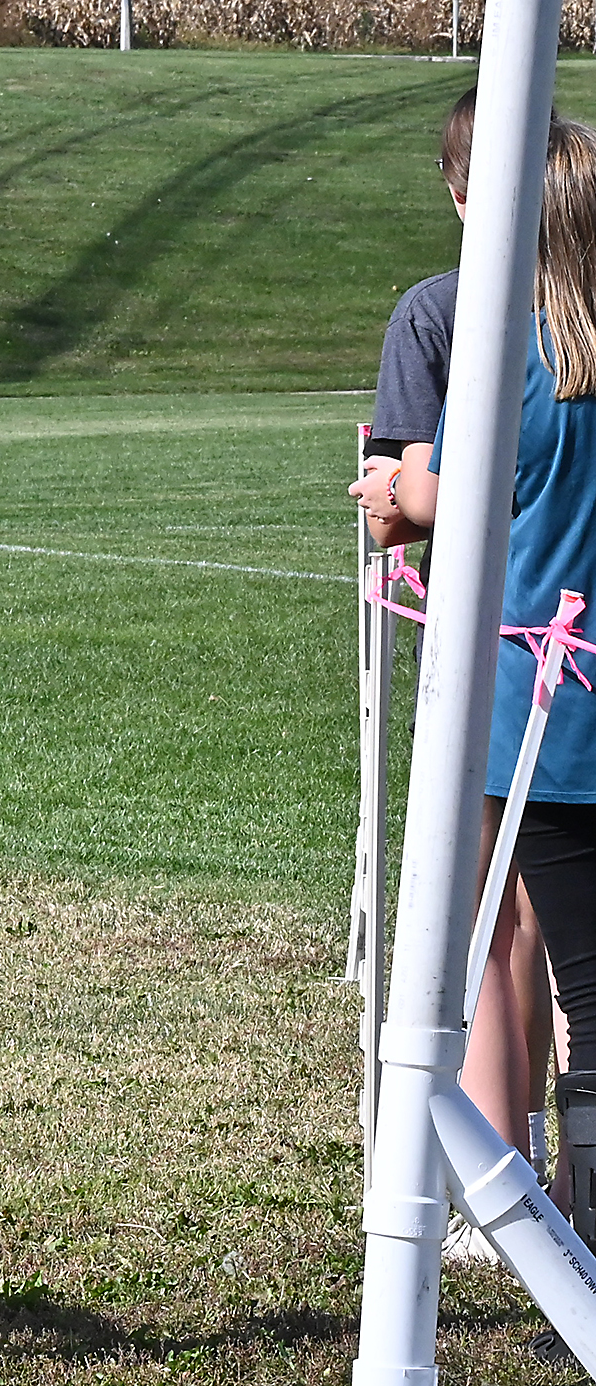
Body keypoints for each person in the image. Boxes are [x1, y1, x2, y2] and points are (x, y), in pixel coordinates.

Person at [353, 90, 566, 1240]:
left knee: (495, 927)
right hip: (538, 653)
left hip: (506, 656)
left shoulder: (449, 317)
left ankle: (515, 1194)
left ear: (456, 191)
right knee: (534, 930)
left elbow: (409, 511)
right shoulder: (461, 319)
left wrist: (394, 494)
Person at [397, 116, 596, 1236]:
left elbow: (438, 490)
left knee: (481, 945)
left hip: (537, 716)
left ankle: (520, 1208)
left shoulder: (513, 368)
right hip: (552, 708)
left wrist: (400, 487)